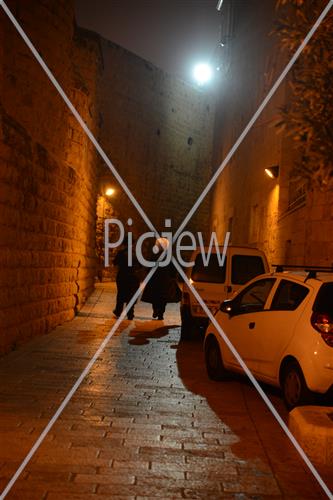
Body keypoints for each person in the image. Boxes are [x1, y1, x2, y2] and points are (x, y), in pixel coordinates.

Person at [141, 238, 181, 320]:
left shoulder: (154, 256)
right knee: (163, 298)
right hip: (165, 280)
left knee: (155, 297)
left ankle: (155, 309)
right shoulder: (169, 257)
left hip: (154, 280)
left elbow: (148, 267)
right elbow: (173, 269)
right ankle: (161, 313)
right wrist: (173, 277)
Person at [113, 238, 140, 320]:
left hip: (122, 276)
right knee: (131, 295)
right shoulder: (135, 254)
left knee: (121, 293)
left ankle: (118, 311)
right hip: (133, 277)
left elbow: (115, 263)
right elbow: (140, 265)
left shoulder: (120, 253)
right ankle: (130, 313)